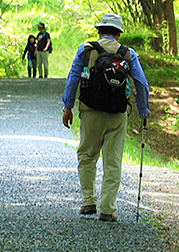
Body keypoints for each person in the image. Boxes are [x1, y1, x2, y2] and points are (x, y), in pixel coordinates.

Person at [61, 13, 150, 222]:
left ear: (99, 31)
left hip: (90, 111)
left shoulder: (85, 50)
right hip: (117, 114)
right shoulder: (128, 53)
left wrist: (68, 107)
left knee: (87, 155)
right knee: (113, 161)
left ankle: (88, 201)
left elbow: (73, 78)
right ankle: (108, 209)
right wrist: (143, 111)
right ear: (118, 33)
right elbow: (141, 84)